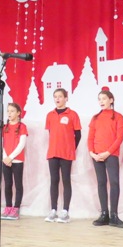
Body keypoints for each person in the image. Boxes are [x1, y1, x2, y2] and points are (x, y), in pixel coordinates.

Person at [88, 88, 123, 228]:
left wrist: (108, 152)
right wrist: (92, 153)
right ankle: (104, 214)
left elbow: (119, 138)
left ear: (111, 100)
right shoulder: (95, 118)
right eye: (99, 99)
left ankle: (114, 215)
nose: (101, 101)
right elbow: (90, 138)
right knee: (101, 182)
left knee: (114, 182)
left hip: (111, 155)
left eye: (104, 99)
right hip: (97, 155)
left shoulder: (118, 117)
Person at [44, 88, 82, 224]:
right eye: (55, 97)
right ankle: (53, 210)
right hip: (53, 153)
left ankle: (65, 211)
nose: (57, 99)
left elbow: (78, 135)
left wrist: (70, 148)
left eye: (60, 96)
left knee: (66, 180)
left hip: (66, 153)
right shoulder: (50, 115)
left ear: (66, 98)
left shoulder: (73, 114)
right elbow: (51, 133)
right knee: (54, 180)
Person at [1, 102, 27, 220]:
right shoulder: (4, 127)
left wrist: (10, 157)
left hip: (17, 160)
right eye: (8, 111)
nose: (9, 113)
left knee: (18, 184)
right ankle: (8, 207)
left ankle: (16, 208)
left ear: (18, 113)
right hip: (6, 160)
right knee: (7, 184)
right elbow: (2, 144)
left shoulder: (22, 127)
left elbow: (21, 144)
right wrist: (5, 158)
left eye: (12, 111)